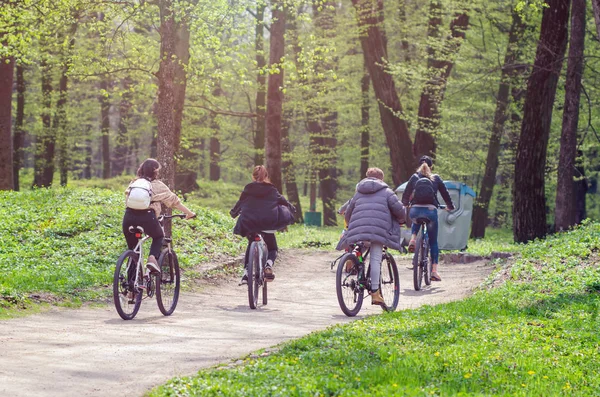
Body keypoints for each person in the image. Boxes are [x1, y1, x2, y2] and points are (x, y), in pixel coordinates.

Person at [337, 167, 406, 305]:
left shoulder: (358, 193)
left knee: (362, 242)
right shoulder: (387, 192)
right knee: (375, 257)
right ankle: (375, 292)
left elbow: (348, 213)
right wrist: (402, 220)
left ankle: (354, 255)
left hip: (358, 228)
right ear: (381, 179)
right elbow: (399, 210)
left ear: (366, 177)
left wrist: (352, 225)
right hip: (378, 230)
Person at [123, 159, 195, 275]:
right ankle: (152, 258)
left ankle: (131, 288)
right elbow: (174, 201)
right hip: (147, 218)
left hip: (129, 217)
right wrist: (189, 213)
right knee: (158, 236)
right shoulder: (157, 185)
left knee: (133, 251)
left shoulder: (134, 183)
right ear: (155, 171)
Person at [230, 165, 296, 284]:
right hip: (267, 222)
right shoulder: (272, 190)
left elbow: (240, 203)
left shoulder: (248, 189)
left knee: (251, 243)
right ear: (266, 176)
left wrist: (233, 213)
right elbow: (284, 201)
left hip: (249, 222)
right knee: (273, 248)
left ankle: (246, 273)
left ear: (253, 176)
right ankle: (268, 265)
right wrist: (292, 209)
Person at [401, 155, 454, 282]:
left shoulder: (414, 177)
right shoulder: (436, 178)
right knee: (433, 242)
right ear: (431, 166)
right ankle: (434, 272)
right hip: (431, 211)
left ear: (419, 166)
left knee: (416, 218)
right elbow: (445, 193)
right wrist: (450, 206)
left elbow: (406, 194)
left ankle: (413, 239)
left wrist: (405, 204)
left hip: (415, 210)